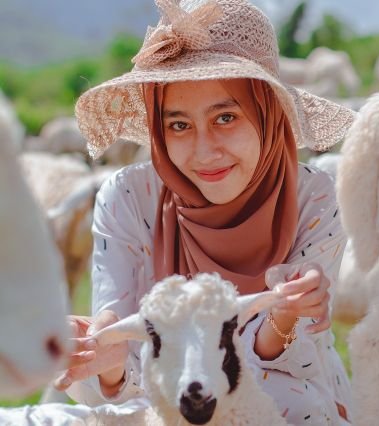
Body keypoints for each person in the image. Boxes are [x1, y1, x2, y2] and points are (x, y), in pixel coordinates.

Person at [52, 0, 355, 424]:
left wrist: (284, 312)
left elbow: (283, 366)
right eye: (178, 125)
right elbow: (120, 342)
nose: (203, 151)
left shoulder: (314, 199)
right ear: (158, 128)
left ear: (268, 114)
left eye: (226, 117)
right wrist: (107, 357)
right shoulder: (126, 197)